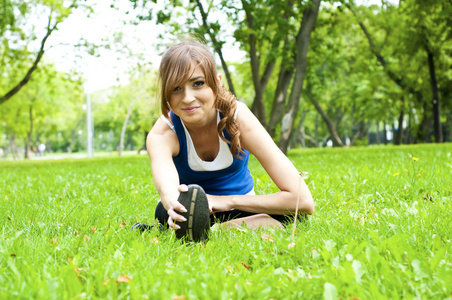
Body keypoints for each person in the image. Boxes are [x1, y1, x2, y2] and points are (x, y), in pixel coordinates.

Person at [135, 40, 314, 240]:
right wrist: (172, 204)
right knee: (163, 212)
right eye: (176, 88)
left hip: (241, 208)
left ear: (217, 82)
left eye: (198, 83)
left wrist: (226, 202)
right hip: (191, 212)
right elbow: (167, 188)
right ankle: (206, 229)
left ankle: (209, 232)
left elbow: (303, 200)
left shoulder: (239, 118)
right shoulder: (163, 133)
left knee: (295, 216)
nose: (187, 98)